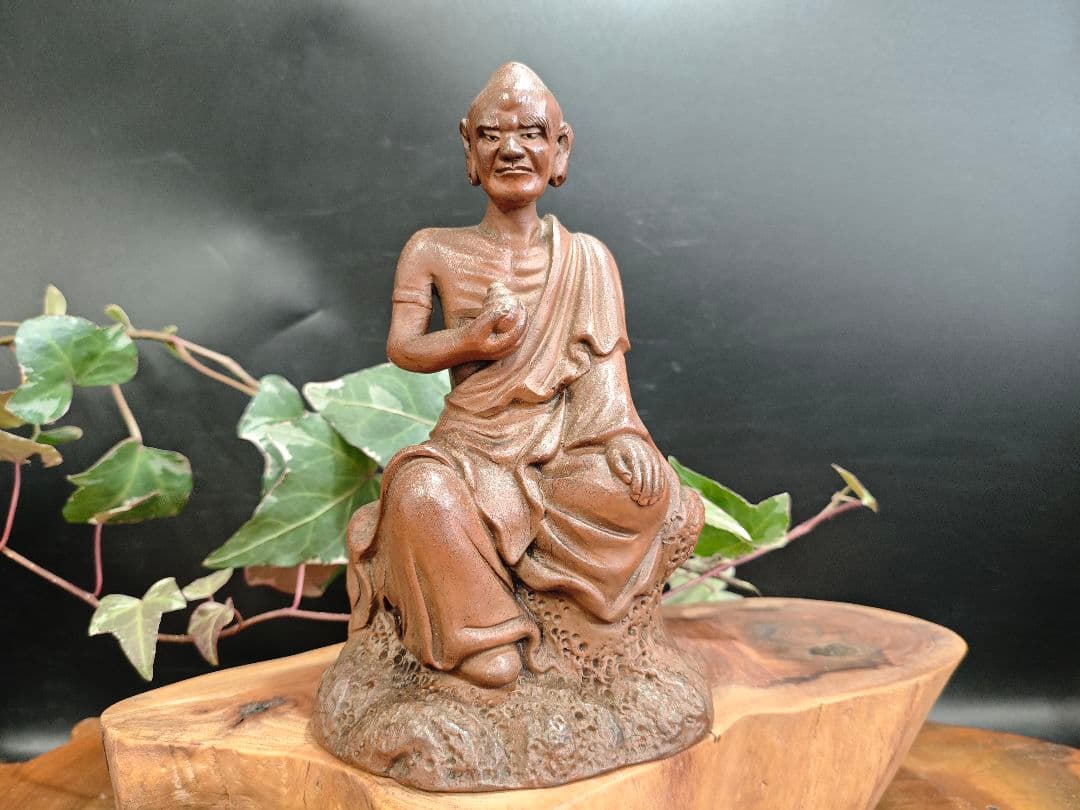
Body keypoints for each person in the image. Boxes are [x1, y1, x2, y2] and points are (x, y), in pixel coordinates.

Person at [350, 63, 688, 689]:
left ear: (561, 148)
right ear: (468, 147)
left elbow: (604, 371)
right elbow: (403, 347)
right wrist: (469, 340)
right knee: (420, 494)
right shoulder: (431, 248)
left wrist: (622, 436)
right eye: (491, 135)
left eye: (531, 133)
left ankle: (583, 626)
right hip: (471, 444)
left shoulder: (588, 259)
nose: (511, 149)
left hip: (560, 445)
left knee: (642, 491)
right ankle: (482, 631)